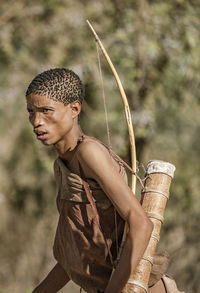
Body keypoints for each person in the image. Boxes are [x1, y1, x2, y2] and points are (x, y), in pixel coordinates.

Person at [26, 68, 172, 293]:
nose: (36, 121)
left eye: (46, 111)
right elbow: (74, 256)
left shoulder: (88, 153)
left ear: (74, 109)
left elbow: (141, 224)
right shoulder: (61, 166)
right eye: (31, 112)